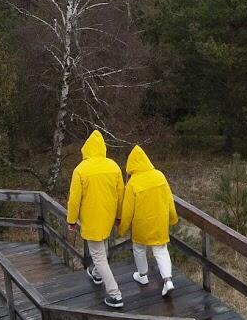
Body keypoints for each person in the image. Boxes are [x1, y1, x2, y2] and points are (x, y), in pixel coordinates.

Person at [66, 130, 125, 309]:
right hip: (107, 217)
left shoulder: (80, 170)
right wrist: (119, 216)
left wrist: (71, 220)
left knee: (98, 255)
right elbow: (121, 195)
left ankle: (115, 295)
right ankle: (97, 274)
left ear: (87, 149)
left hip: (91, 219)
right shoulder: (113, 166)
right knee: (102, 248)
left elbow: (74, 199)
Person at [119, 145, 179, 297]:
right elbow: (169, 199)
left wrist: (122, 229)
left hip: (142, 224)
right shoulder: (159, 175)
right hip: (159, 221)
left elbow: (127, 211)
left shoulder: (133, 183)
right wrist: (172, 217)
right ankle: (168, 281)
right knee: (161, 249)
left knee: (139, 248)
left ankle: (142, 275)